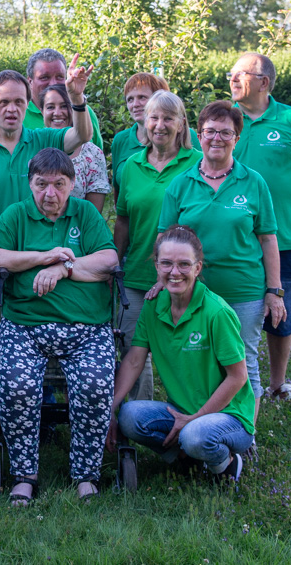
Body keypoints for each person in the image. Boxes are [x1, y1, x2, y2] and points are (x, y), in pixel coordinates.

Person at [0, 148, 118, 504]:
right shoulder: (17, 215)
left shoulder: (84, 213)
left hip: (87, 329)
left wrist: (63, 268)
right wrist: (42, 257)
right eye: (41, 184)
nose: (50, 194)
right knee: (18, 386)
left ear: (72, 184)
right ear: (30, 184)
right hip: (24, 326)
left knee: (95, 385)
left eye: (59, 184)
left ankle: (85, 474)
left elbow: (109, 260)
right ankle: (25, 475)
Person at [0, 66, 93, 424]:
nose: (12, 109)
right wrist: (11, 251)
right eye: (4, 102)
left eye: (19, 101)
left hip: (42, 267)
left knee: (39, 341)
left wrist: (77, 97)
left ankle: (39, 413)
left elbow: (82, 135)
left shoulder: (42, 140)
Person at [158, 100, 286, 423]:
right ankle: (200, 426)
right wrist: (161, 281)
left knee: (244, 362)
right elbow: (164, 240)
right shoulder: (181, 184)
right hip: (194, 293)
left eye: (226, 132)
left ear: (237, 138)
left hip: (243, 291)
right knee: (199, 361)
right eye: (210, 131)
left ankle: (245, 433)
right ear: (198, 135)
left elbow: (268, 239)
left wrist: (274, 290)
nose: (217, 138)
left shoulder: (253, 182)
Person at [108, 226, 255, 484]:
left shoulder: (217, 312)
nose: (174, 272)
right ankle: (188, 458)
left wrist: (194, 419)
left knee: (195, 435)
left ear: (198, 268)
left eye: (184, 264)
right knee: (129, 416)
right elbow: (134, 361)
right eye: (166, 263)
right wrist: (109, 408)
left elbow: (238, 377)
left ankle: (226, 465)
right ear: (156, 266)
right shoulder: (153, 307)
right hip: (181, 410)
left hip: (230, 416)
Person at [229, 53, 291, 401]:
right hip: (232, 237)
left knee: (280, 312)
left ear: (264, 82)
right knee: (226, 310)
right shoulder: (224, 119)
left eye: (241, 74)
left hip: (283, 238)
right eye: (231, 73)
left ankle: (277, 383)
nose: (233, 79)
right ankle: (227, 379)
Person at [113, 90, 200, 402]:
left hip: (184, 277)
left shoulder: (197, 163)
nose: (160, 125)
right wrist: (114, 263)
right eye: (154, 117)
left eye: (168, 118)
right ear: (145, 122)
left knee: (187, 350)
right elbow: (123, 221)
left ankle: (191, 416)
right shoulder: (131, 166)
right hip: (138, 273)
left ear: (181, 124)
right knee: (133, 348)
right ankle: (139, 418)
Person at [109, 73, 198, 204]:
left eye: (142, 97)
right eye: (130, 99)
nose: (135, 104)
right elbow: (119, 191)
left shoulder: (188, 136)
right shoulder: (121, 140)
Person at [38, 84, 109, 212]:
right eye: (50, 107)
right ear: (42, 111)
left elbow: (93, 213)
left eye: (64, 106)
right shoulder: (33, 145)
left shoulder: (92, 154)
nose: (57, 113)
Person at [24, 48, 103, 149]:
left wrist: (77, 98)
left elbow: (97, 153)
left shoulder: (84, 112)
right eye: (44, 77)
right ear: (30, 81)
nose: (53, 83)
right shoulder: (20, 115)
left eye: (59, 77)